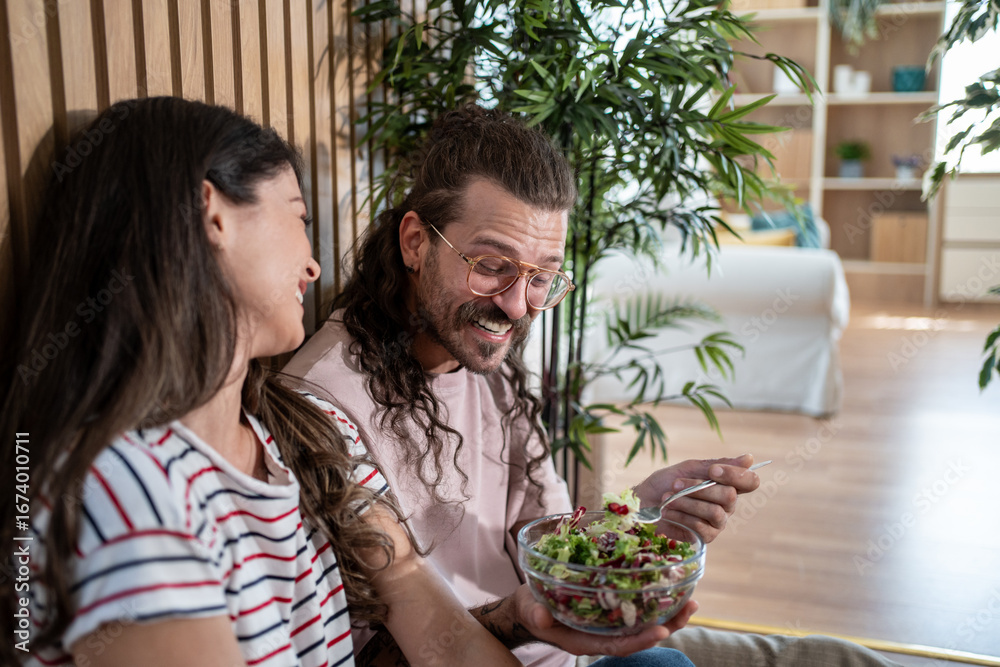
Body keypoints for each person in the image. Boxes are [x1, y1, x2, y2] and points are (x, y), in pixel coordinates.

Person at [284, 104, 903, 667]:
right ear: (416, 242)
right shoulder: (323, 405)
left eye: (542, 278)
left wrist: (638, 518)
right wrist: (522, 616)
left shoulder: (482, 359)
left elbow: (551, 543)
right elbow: (375, 656)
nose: (519, 307)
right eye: (493, 266)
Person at [0, 97, 528, 667]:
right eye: (300, 218)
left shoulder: (302, 428)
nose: (314, 266)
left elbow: (430, 623)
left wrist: (519, 617)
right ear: (213, 215)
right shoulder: (123, 490)